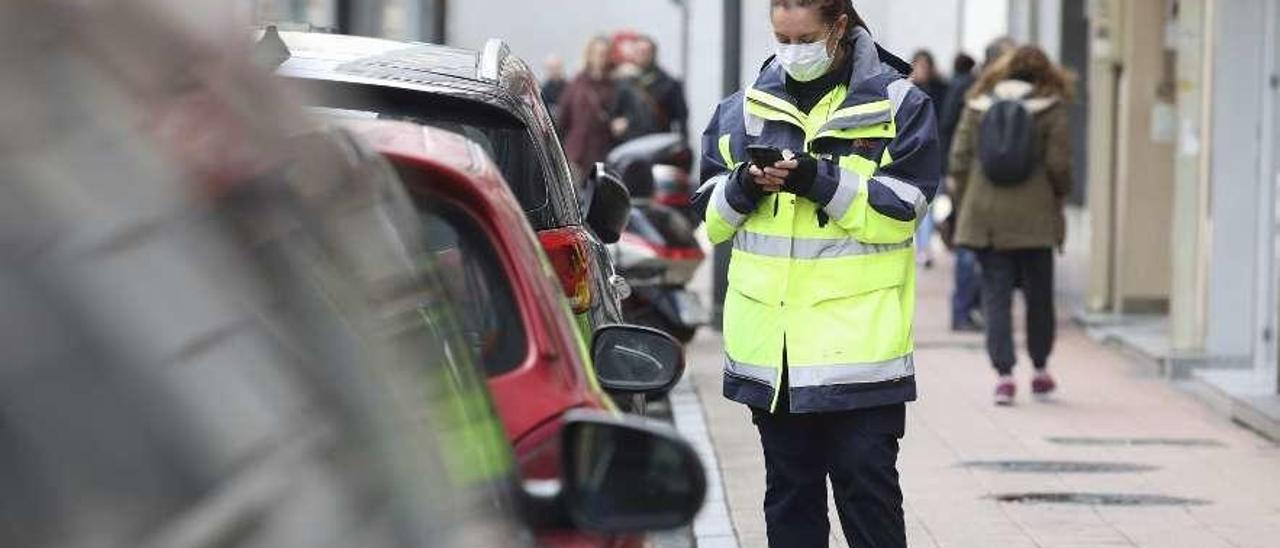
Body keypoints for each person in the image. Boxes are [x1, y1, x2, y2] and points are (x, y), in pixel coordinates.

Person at [695, 1, 940, 546]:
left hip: (860, 353)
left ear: (838, 28)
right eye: (781, 37)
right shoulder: (742, 109)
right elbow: (708, 219)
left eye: (804, 36)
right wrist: (743, 187)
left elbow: (904, 211)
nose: (792, 49)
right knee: (789, 503)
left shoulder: (899, 105)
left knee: (869, 500)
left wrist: (818, 181)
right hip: (774, 358)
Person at [948, 45, 1073, 406]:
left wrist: (964, 203)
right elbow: (1060, 166)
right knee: (1039, 297)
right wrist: (1059, 196)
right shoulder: (1051, 108)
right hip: (1035, 219)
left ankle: (1004, 376)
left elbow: (958, 160)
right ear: (1045, 73)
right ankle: (1039, 370)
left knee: (995, 296)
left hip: (985, 219)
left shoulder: (978, 105)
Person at [941, 39, 1013, 332]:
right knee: (968, 248)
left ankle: (977, 309)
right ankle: (962, 311)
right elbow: (947, 129)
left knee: (985, 250)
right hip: (968, 182)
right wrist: (950, 174)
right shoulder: (971, 89)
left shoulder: (1001, 91)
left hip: (990, 184)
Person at [556, 37, 646, 179]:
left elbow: (635, 113)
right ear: (589, 55)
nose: (600, 57)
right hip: (576, 152)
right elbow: (563, 118)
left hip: (604, 153)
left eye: (604, 53)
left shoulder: (618, 85)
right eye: (596, 53)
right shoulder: (577, 83)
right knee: (575, 195)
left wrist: (624, 121)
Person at [630, 36, 689, 136]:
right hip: (630, 141)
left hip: (658, 139)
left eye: (644, 52)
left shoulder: (669, 84)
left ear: (653, 54)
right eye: (638, 52)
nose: (641, 56)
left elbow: (681, 118)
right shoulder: (625, 81)